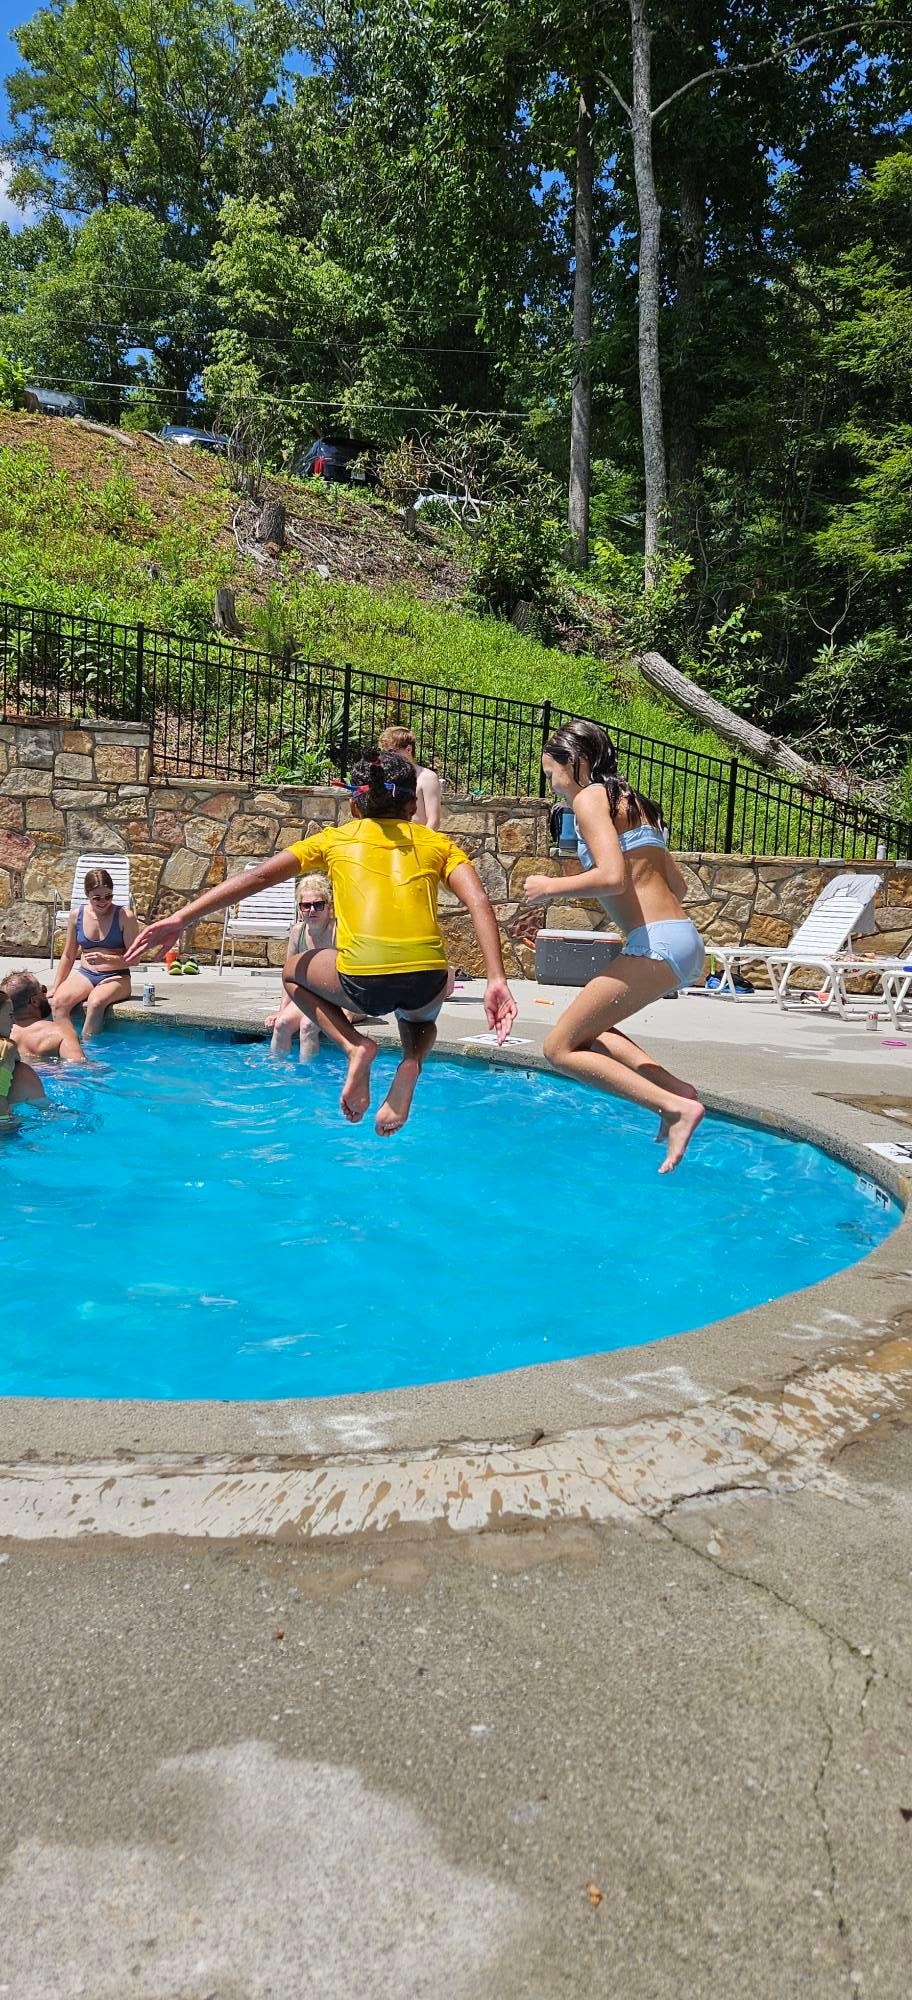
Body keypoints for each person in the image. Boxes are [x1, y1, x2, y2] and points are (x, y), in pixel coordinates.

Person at [127, 752, 517, 1136]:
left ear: (353, 804)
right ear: (413, 804)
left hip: (363, 981)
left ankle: (354, 1047)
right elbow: (478, 901)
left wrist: (181, 917)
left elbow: (261, 876)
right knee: (419, 1021)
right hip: (427, 978)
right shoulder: (439, 844)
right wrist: (496, 979)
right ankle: (411, 1062)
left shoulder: (334, 840)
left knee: (293, 971)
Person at [522, 719, 706, 1173]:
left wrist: (549, 886)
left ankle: (673, 1107)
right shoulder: (636, 804)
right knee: (589, 1030)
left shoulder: (588, 799)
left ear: (575, 762)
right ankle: (677, 1092)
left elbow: (611, 876)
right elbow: (677, 885)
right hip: (681, 938)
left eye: (552, 775)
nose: (553, 787)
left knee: (558, 1047)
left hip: (656, 943)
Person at [51, 867, 140, 1039]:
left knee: (96, 1002)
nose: (103, 901)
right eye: (97, 897)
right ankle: (68, 1047)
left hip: (117, 977)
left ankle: (90, 1052)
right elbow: (68, 955)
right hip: (85, 975)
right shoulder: (76, 916)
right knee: (58, 1003)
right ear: (87, 894)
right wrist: (56, 986)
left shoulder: (124, 916)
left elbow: (135, 959)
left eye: (108, 896)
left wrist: (106, 959)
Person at [264, 874, 336, 1060]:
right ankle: (277, 1076)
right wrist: (282, 1010)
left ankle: (307, 1079)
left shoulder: (338, 931)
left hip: (341, 999)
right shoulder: (298, 932)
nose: (312, 910)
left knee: (308, 1026)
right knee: (281, 1024)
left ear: (329, 905)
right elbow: (289, 977)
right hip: (311, 997)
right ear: (299, 908)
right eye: (306, 905)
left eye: (318, 904)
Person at [0, 971, 86, 1064]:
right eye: (43, 990)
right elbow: (78, 1065)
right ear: (34, 1001)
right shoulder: (62, 1033)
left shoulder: (4, 1034)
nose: (46, 995)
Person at [377, 726, 442, 830]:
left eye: (392, 752)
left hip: (416, 841)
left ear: (408, 749)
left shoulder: (427, 777)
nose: (387, 757)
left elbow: (433, 822)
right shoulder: (386, 776)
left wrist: (420, 844)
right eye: (385, 753)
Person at [0, 989, 45, 1118]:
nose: (13, 1021)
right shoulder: (7, 1046)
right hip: (3, 1120)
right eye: (9, 1015)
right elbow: (16, 1058)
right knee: (22, 1071)